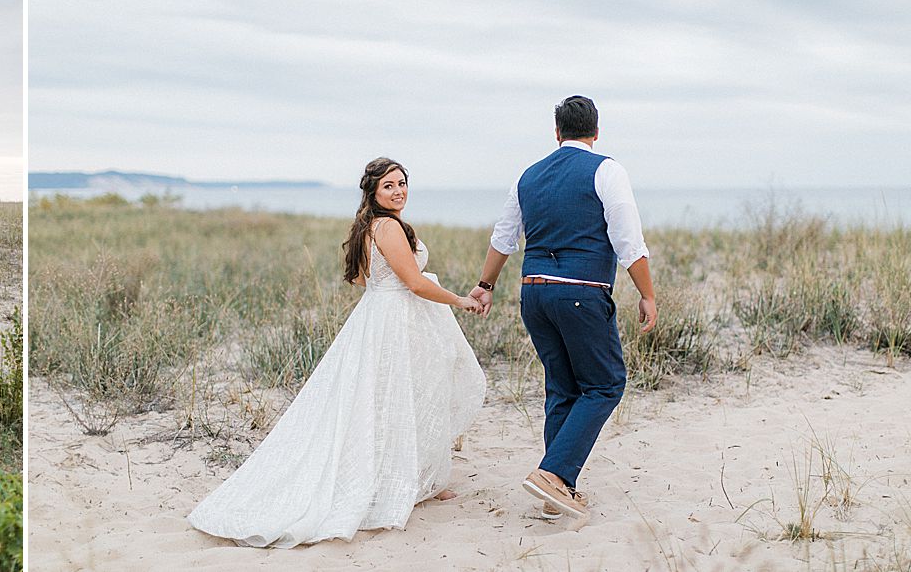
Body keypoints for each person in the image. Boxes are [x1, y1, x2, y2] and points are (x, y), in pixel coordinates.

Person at [187, 157, 487, 548]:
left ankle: (418, 483)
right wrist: (460, 301)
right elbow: (413, 283)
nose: (398, 191)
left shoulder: (368, 226)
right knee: (396, 400)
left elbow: (364, 279)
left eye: (402, 183)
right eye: (389, 186)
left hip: (377, 317)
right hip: (393, 321)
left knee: (389, 401)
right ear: (374, 192)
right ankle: (402, 486)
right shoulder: (389, 226)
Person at [470, 95, 657, 522]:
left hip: (533, 293)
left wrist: (485, 285)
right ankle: (553, 473)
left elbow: (504, 238)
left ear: (556, 133)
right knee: (606, 384)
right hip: (580, 293)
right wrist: (646, 294)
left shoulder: (529, 176)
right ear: (596, 131)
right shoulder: (606, 169)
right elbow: (629, 241)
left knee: (562, 387)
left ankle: (558, 489)